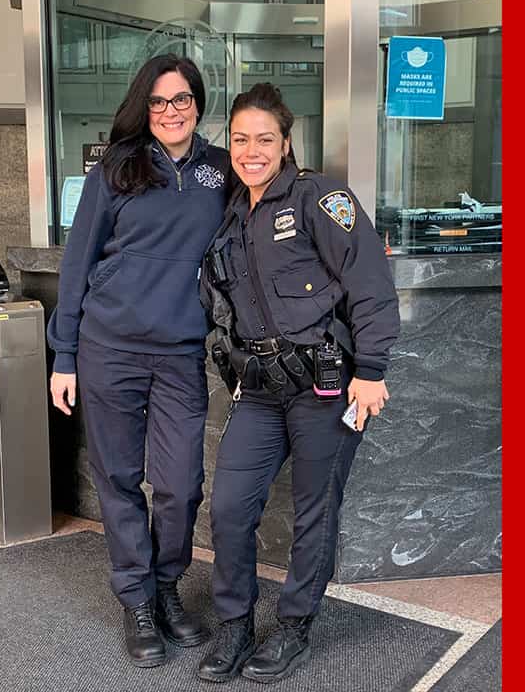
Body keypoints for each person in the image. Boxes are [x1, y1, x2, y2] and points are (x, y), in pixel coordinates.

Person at [196, 83, 400, 684]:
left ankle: (293, 629)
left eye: (264, 139)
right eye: (239, 139)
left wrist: (372, 371)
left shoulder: (319, 198)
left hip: (326, 389)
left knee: (315, 513)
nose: (251, 150)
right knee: (231, 508)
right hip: (258, 392)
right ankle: (234, 625)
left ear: (286, 144)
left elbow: (370, 282)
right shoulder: (230, 215)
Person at [46, 54, 230, 668]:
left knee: (179, 485)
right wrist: (64, 354)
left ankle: (168, 586)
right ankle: (137, 598)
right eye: (158, 101)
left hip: (179, 352)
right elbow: (78, 264)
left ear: (198, 104)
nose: (170, 111)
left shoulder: (220, 171)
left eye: (181, 99)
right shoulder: (116, 169)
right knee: (120, 478)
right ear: (142, 107)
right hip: (110, 348)